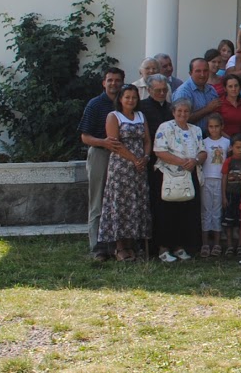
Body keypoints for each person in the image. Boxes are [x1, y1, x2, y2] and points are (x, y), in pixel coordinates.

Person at [98, 83, 151, 262]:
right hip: (121, 167)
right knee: (120, 205)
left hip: (139, 169)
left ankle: (131, 245)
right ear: (120, 99)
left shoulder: (140, 116)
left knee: (135, 204)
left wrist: (145, 157)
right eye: (127, 97)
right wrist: (133, 159)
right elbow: (115, 143)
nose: (131, 100)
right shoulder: (114, 116)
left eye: (134, 97)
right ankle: (119, 247)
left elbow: (147, 140)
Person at [80, 66, 125, 260]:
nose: (114, 83)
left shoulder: (125, 103)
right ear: (104, 83)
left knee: (118, 200)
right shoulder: (95, 104)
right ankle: (97, 246)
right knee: (98, 199)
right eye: (110, 80)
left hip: (121, 157)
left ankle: (116, 244)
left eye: (117, 80)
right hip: (100, 153)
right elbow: (85, 136)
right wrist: (103, 142)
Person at [153, 98, 204, 262]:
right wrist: (182, 162)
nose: (182, 114)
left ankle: (180, 247)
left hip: (189, 176)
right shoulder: (165, 127)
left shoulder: (196, 130)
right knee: (167, 213)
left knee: (185, 212)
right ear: (173, 112)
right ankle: (164, 248)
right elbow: (159, 151)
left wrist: (195, 161)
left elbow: (203, 151)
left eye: (186, 111)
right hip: (169, 176)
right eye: (179, 111)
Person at [198, 113, 232, 257]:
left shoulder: (226, 142)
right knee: (206, 210)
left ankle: (217, 243)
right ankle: (205, 243)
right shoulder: (203, 142)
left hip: (220, 179)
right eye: (211, 127)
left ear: (222, 127)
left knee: (217, 211)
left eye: (217, 126)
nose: (214, 129)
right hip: (206, 179)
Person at [215, 74, 241, 143]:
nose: (234, 89)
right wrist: (232, 142)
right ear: (225, 89)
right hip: (223, 142)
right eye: (230, 86)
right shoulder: (219, 104)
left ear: (240, 87)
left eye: (236, 86)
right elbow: (216, 126)